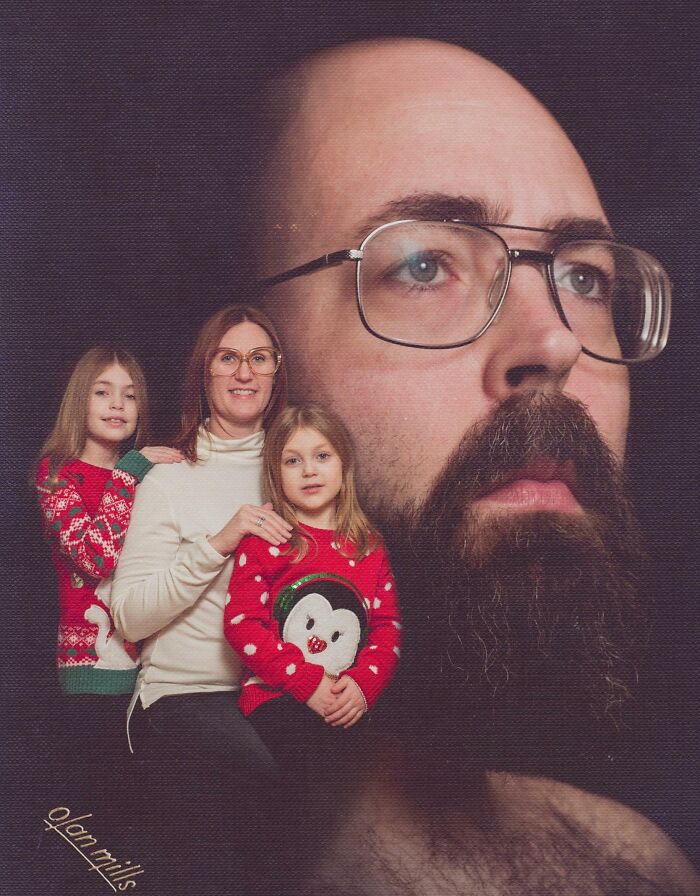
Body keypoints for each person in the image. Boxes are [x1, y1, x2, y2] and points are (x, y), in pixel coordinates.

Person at [246, 38, 698, 895]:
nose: (557, 343)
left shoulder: (635, 870)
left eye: (586, 279)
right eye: (424, 265)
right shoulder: (80, 844)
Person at [106, 304, 290, 894]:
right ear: (205, 374)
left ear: (275, 372)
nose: (244, 372)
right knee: (254, 784)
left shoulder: (299, 469)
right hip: (185, 697)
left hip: (274, 694)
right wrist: (219, 543)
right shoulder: (171, 477)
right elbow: (129, 613)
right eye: (228, 357)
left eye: (258, 358)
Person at [33, 344, 182, 896]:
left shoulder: (147, 477)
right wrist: (131, 473)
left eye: (130, 394)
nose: (118, 404)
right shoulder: (56, 474)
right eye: (103, 392)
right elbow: (97, 558)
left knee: (141, 812)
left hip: (150, 667)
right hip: (90, 666)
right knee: (92, 813)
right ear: (80, 401)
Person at [225, 401, 401, 766]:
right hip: (277, 697)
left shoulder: (368, 545)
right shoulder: (267, 540)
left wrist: (363, 686)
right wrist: (307, 683)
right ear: (276, 473)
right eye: (293, 461)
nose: (309, 471)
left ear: (343, 465)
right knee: (310, 771)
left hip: (346, 697)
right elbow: (242, 625)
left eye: (322, 456)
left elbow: (387, 629)